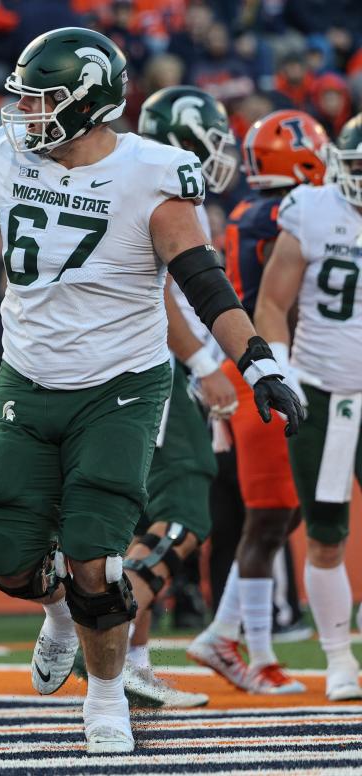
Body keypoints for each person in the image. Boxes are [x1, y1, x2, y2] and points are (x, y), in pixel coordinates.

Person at [0, 27, 304, 753]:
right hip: (29, 377)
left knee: (95, 552)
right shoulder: (14, 157)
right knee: (7, 561)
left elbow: (202, 282)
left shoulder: (152, 172)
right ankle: (58, 615)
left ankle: (106, 700)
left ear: (90, 103)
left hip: (121, 384)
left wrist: (259, 362)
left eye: (44, 97)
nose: (25, 110)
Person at [189, 109, 330, 695]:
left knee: (284, 514)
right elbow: (286, 302)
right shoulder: (286, 214)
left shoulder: (252, 210)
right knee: (270, 518)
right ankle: (253, 649)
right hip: (270, 367)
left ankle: (223, 632)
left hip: (255, 364)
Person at [107, 85, 239, 709]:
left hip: (106, 370)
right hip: (150, 367)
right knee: (187, 504)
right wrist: (205, 362)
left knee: (134, 519)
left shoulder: (123, 175)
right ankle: (98, 624)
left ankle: (129, 664)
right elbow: (161, 297)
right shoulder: (166, 190)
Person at [253, 112, 362, 702]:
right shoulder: (313, 210)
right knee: (325, 534)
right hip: (322, 386)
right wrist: (280, 368)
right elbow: (272, 302)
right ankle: (339, 657)